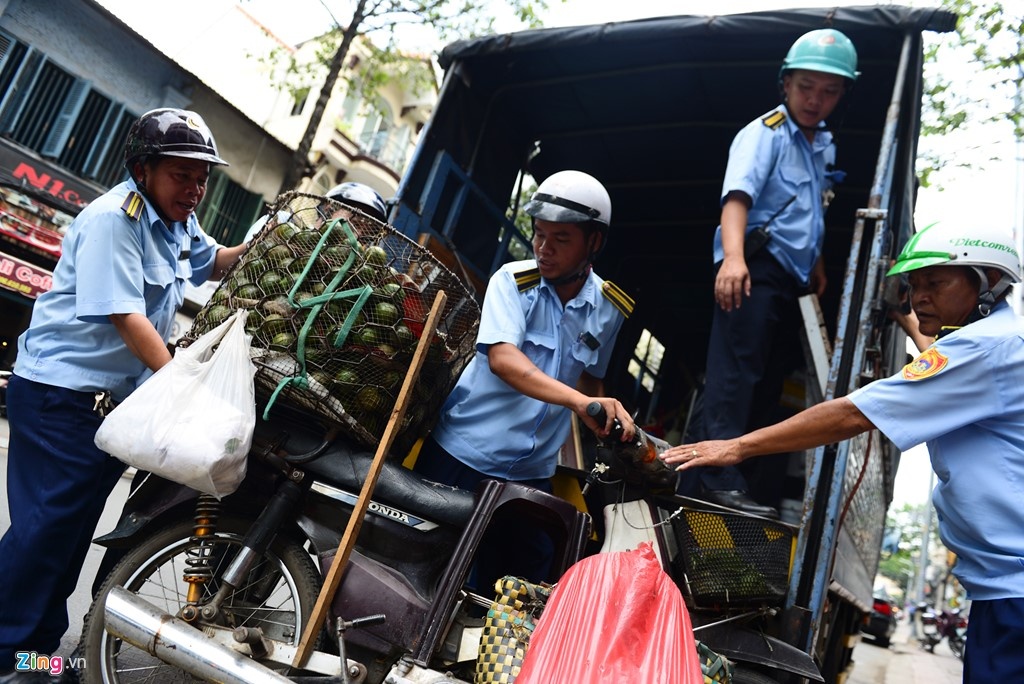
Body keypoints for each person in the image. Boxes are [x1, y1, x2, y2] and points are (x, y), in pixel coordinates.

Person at [663, 222, 1024, 683]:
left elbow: (855, 414)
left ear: (989, 282)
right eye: (913, 286)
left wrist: (737, 446)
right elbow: (939, 356)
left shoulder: (987, 347)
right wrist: (902, 320)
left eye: (935, 283)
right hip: (1003, 588)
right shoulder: (992, 343)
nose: (920, 297)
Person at [0, 108, 246, 683]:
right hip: (60, 396)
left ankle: (35, 657)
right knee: (43, 534)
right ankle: (9, 656)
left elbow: (214, 262)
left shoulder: (174, 220)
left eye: (201, 176)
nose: (195, 188)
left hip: (108, 404)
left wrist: (275, 237)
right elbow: (127, 318)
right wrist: (187, 388)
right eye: (181, 174)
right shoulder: (116, 218)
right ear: (144, 169)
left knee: (65, 540)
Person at [413, 169, 635, 587]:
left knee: (525, 585)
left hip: (531, 472)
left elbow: (590, 382)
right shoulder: (513, 283)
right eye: (539, 235)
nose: (544, 249)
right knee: (428, 575)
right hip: (461, 458)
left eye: (561, 239)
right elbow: (503, 360)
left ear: (594, 242)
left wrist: (606, 418)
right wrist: (577, 402)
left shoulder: (608, 307)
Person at [693, 28, 859, 518]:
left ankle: (735, 475)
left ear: (842, 94)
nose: (816, 99)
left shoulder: (821, 146)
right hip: (754, 265)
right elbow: (737, 198)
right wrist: (734, 258)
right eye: (806, 86)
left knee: (766, 380)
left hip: (791, 277)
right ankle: (715, 476)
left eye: (829, 90)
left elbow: (811, 209)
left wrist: (818, 263)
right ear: (785, 84)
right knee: (735, 372)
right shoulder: (764, 132)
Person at [241, 180, 388, 243]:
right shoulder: (284, 223)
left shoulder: (351, 273)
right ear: (329, 208)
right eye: (355, 223)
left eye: (368, 233)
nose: (356, 237)